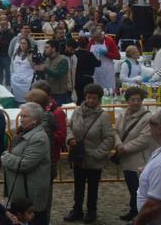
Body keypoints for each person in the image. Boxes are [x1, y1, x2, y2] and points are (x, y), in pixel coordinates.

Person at [64, 83, 114, 223]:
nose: (91, 100)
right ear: (85, 97)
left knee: (93, 188)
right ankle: (77, 210)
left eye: (94, 98)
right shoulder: (78, 110)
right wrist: (70, 138)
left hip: (94, 158)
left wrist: (98, 154)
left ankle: (91, 211)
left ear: (99, 99)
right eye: (89, 97)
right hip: (79, 156)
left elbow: (109, 138)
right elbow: (69, 126)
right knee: (78, 186)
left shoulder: (103, 116)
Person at [0, 102, 51, 225]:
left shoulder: (38, 138)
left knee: (35, 220)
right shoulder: (23, 133)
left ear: (35, 120)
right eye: (21, 116)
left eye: (25, 116)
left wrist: (5, 158)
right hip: (22, 191)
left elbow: (25, 164)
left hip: (30, 193)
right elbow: (14, 152)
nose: (21, 119)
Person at [114, 86, 155, 221]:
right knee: (131, 187)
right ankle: (133, 210)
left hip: (139, 160)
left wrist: (124, 148)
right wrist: (119, 144)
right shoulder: (122, 114)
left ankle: (140, 215)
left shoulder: (148, 117)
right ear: (127, 101)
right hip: (126, 159)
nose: (136, 102)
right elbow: (115, 131)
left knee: (139, 189)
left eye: (139, 100)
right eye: (133, 99)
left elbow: (145, 139)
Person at [88, 26, 120, 91]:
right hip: (96, 70)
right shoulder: (91, 41)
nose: (95, 40)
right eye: (94, 38)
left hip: (107, 69)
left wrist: (106, 53)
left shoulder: (109, 41)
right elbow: (88, 53)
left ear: (101, 34)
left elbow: (118, 56)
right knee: (97, 89)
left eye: (97, 37)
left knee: (109, 89)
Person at [42, 39, 71, 105]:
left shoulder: (63, 60)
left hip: (60, 94)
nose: (45, 49)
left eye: (47, 47)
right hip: (48, 93)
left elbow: (59, 75)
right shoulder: (46, 60)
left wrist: (44, 69)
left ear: (53, 49)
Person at [11, 38, 37, 104]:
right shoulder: (16, 54)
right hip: (16, 83)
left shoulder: (31, 55)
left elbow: (35, 68)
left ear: (28, 45)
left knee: (27, 101)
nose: (22, 45)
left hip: (26, 84)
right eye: (21, 43)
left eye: (24, 43)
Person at [0, 17, 15, 86]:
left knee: (8, 73)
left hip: (6, 55)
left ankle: (8, 87)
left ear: (7, 25)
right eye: (1, 24)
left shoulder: (10, 33)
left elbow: (7, 44)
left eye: (4, 24)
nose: (2, 25)